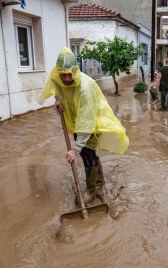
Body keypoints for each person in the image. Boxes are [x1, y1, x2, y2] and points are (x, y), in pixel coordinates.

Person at [42, 47, 129, 203]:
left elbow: (86, 120)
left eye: (70, 75)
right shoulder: (58, 78)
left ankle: (91, 191)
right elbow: (59, 90)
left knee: (87, 156)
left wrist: (76, 149)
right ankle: (100, 183)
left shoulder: (85, 87)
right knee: (89, 154)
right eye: (63, 75)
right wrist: (58, 100)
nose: (67, 78)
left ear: (75, 71)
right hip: (79, 123)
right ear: (58, 72)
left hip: (92, 122)